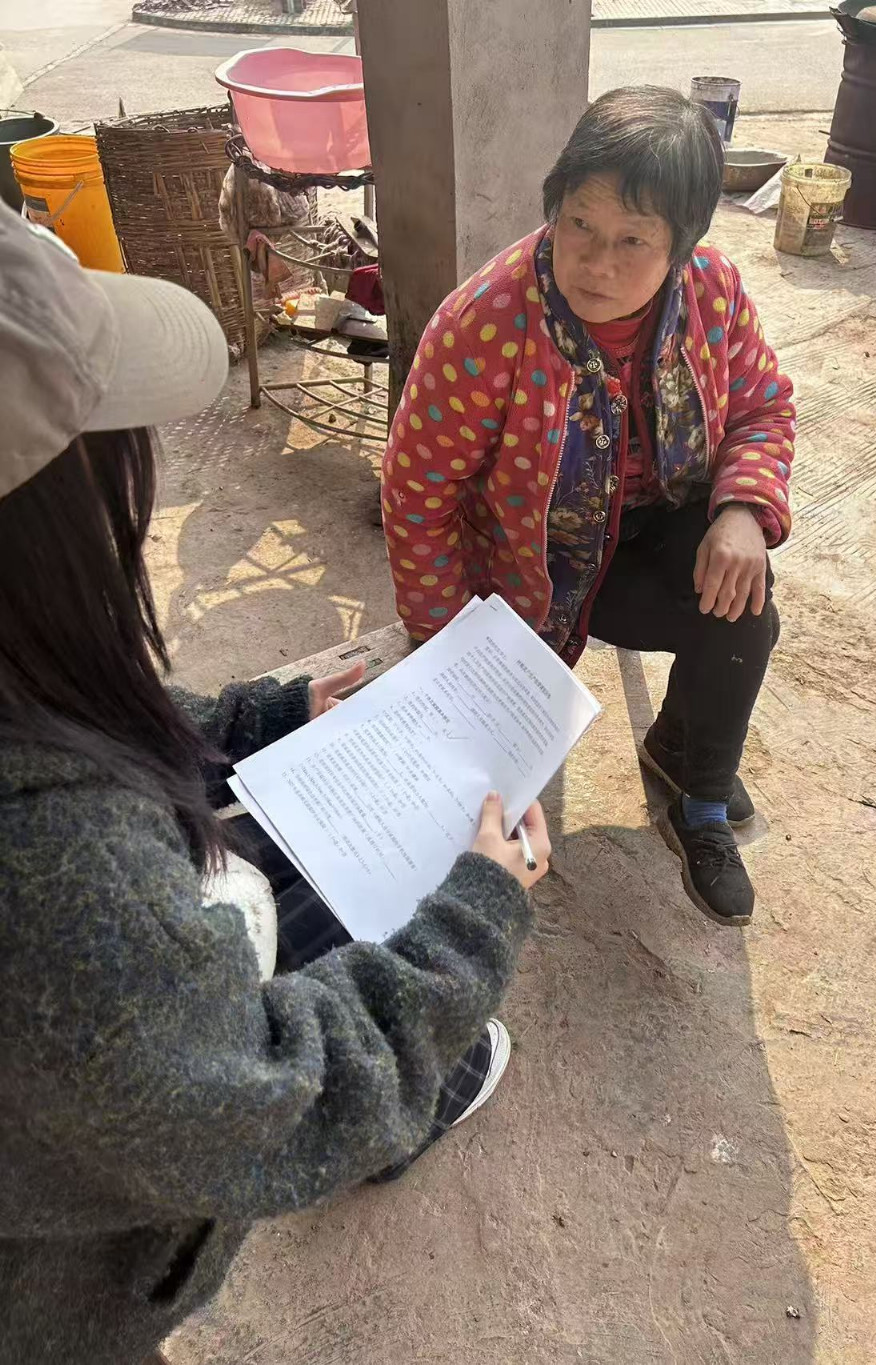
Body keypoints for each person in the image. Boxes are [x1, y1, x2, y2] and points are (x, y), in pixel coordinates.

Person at [0, 206, 550, 1365]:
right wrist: (474, 919)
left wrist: (255, 720)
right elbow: (257, 1110)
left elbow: (65, 725)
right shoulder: (65, 887)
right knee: (370, 919)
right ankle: (423, 1090)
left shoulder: (32, 716)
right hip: (54, 1313)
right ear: (47, 518)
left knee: (291, 866)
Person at [381, 86, 795, 927]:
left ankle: (695, 787)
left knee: (745, 609)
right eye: (579, 224)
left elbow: (761, 406)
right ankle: (677, 748)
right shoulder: (487, 322)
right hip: (534, 567)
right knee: (469, 809)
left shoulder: (712, 293)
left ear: (682, 245)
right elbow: (418, 493)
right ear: (555, 207)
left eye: (633, 240)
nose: (597, 264)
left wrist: (744, 510)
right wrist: (448, 649)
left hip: (659, 521)